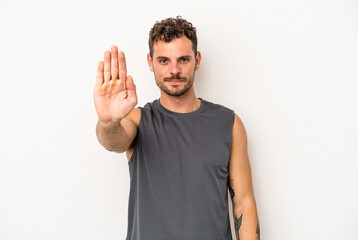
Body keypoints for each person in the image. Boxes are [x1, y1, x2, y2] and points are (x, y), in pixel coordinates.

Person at [94, 16, 260, 240]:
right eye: (164, 60)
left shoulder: (228, 123)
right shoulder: (138, 120)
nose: (174, 70)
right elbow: (114, 141)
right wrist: (108, 122)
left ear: (197, 60)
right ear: (150, 62)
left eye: (183, 59)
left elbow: (243, 203)